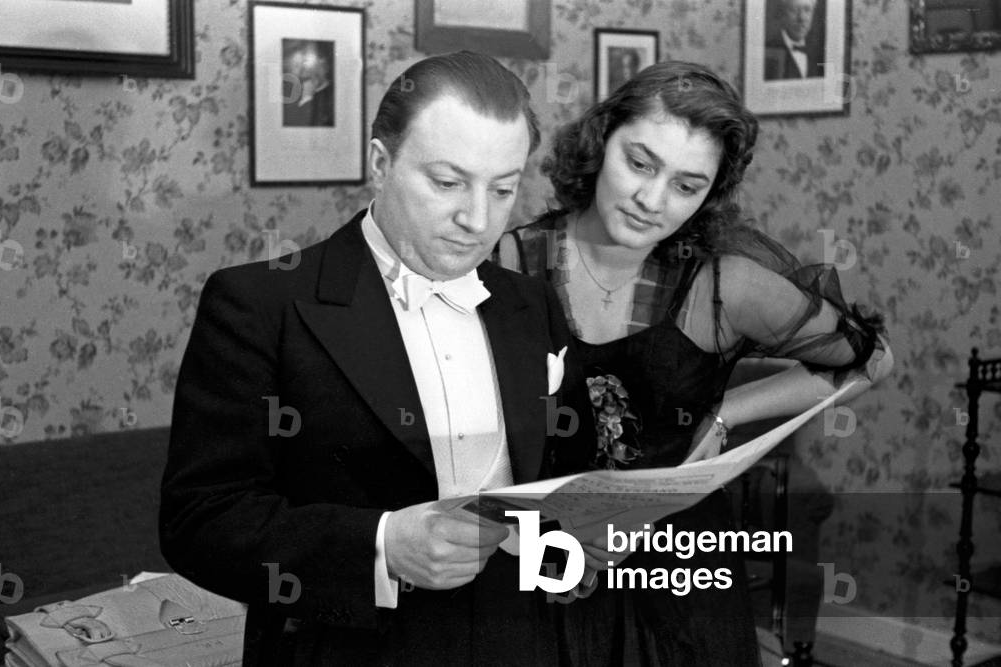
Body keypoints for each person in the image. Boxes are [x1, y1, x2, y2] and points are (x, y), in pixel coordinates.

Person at [160, 51, 589, 666]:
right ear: (381, 164)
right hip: (342, 650)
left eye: (502, 189)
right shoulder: (259, 304)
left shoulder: (531, 303)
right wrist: (383, 545)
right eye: (447, 183)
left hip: (523, 642)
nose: (477, 219)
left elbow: (563, 472)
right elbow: (199, 522)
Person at [498, 60, 893, 665]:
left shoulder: (723, 285)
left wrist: (727, 411)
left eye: (687, 186)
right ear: (600, 140)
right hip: (538, 574)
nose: (651, 201)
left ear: (711, 193)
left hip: (682, 583)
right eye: (639, 163)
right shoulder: (509, 265)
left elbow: (872, 359)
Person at [764, 0, 824, 79]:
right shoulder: (768, 50)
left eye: (807, 10)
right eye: (794, 10)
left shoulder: (819, 51)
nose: (801, 18)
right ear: (783, 15)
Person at [282, 42, 334, 127]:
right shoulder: (294, 86)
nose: (303, 68)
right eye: (296, 65)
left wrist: (307, 98)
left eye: (305, 62)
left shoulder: (329, 95)